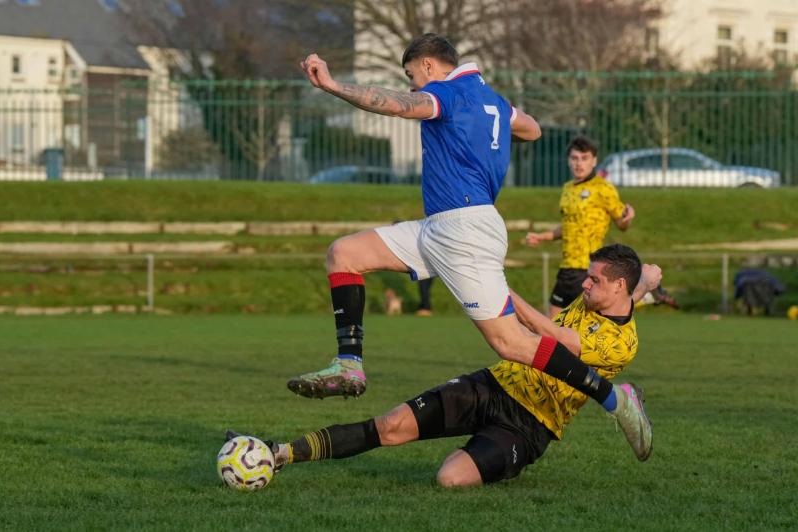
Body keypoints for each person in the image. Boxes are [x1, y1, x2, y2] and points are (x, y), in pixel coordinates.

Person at [290, 35, 647, 457]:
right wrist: (486, 130)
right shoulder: (492, 100)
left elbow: (395, 105)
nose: (411, 86)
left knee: (511, 344)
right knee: (344, 253)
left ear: (428, 66)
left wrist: (333, 86)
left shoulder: (448, 93)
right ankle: (350, 364)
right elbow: (533, 129)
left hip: (465, 231)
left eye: (411, 75)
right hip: (438, 226)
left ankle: (615, 399)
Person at [243, 245, 659, 485]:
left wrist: (497, 290)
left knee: (450, 479)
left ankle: (615, 401)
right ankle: (283, 453)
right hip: (492, 385)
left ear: (618, 286)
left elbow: (552, 335)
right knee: (390, 426)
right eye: (587, 276)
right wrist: (648, 279)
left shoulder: (622, 344)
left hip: (531, 425)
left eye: (594, 280)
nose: (584, 284)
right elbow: (637, 286)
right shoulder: (606, 295)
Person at [525, 136, 636, 317]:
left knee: (582, 325)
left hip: (589, 268)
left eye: (584, 158)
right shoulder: (567, 188)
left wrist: (627, 219)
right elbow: (569, 225)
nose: (579, 163)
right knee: (552, 324)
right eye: (574, 158)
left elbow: (621, 224)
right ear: (568, 160)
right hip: (567, 268)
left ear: (594, 161)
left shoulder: (603, 188)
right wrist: (542, 236)